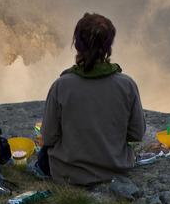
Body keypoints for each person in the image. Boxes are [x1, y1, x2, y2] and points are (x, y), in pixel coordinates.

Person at [35, 12, 146, 186]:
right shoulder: (127, 85)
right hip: (116, 169)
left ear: (78, 45)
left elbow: (48, 138)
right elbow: (136, 134)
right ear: (109, 46)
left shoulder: (62, 85)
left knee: (42, 156)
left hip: (68, 174)